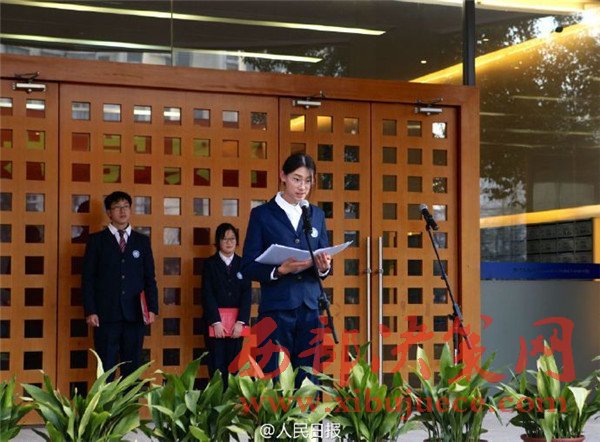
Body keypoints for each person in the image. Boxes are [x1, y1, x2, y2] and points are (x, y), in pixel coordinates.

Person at [242, 153, 331, 386]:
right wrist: (279, 270)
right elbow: (248, 266)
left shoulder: (316, 215)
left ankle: (306, 413)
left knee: (309, 380)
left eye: (308, 181)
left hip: (310, 308)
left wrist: (324, 267)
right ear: (283, 176)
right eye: (296, 179)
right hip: (277, 308)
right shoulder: (262, 215)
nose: (303, 187)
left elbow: (324, 257)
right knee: (275, 377)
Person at [82, 191, 158, 380]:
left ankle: (129, 401)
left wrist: (152, 308)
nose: (122, 211)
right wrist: (90, 310)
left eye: (126, 207)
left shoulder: (142, 241)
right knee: (106, 367)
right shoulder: (97, 241)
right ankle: (105, 401)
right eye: (117, 207)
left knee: (132, 368)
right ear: (109, 212)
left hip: (135, 314)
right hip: (106, 314)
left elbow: (150, 278)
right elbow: (88, 278)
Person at [201, 223, 251, 388]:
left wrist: (241, 322)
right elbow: (207, 294)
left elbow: (247, 295)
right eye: (225, 239)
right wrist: (215, 322)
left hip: (237, 326)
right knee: (216, 366)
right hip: (216, 326)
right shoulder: (210, 264)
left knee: (234, 367)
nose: (229, 243)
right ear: (218, 242)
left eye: (232, 239)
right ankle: (217, 401)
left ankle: (232, 401)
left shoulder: (243, 264)